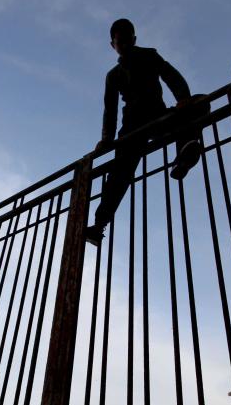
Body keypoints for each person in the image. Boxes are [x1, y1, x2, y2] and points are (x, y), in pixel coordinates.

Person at [86, 18, 209, 246]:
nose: (124, 45)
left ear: (134, 40)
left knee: (200, 102)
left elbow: (172, 77)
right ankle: (99, 224)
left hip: (158, 117)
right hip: (132, 127)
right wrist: (106, 140)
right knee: (120, 173)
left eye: (127, 41)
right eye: (119, 42)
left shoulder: (150, 56)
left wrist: (184, 100)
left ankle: (185, 152)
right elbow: (110, 110)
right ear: (112, 44)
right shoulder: (113, 76)